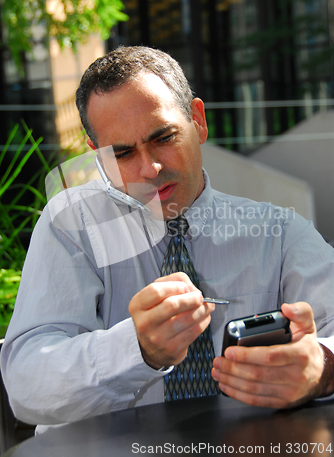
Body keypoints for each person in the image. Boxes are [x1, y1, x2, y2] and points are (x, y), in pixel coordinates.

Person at [1, 46, 334, 434]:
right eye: (122, 153)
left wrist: (322, 367)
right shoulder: (71, 226)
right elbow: (27, 386)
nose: (150, 168)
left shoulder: (279, 234)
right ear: (97, 157)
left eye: (163, 137)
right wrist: (137, 349)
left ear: (198, 120)